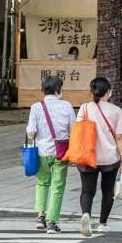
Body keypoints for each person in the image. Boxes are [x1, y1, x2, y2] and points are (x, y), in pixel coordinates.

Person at [76, 77, 122, 237]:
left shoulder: (84, 108)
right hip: (109, 158)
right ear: (108, 92)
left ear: (92, 91)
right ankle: (102, 223)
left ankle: (86, 214)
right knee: (107, 191)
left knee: (87, 190)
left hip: (88, 156)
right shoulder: (116, 111)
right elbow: (119, 137)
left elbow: (78, 130)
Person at [26, 75, 74, 234]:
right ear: (58, 90)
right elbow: (73, 130)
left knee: (42, 183)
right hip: (61, 152)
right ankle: (52, 222)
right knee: (57, 186)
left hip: (41, 152)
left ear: (43, 90)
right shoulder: (67, 106)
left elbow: (31, 132)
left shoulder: (36, 107)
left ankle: (41, 217)